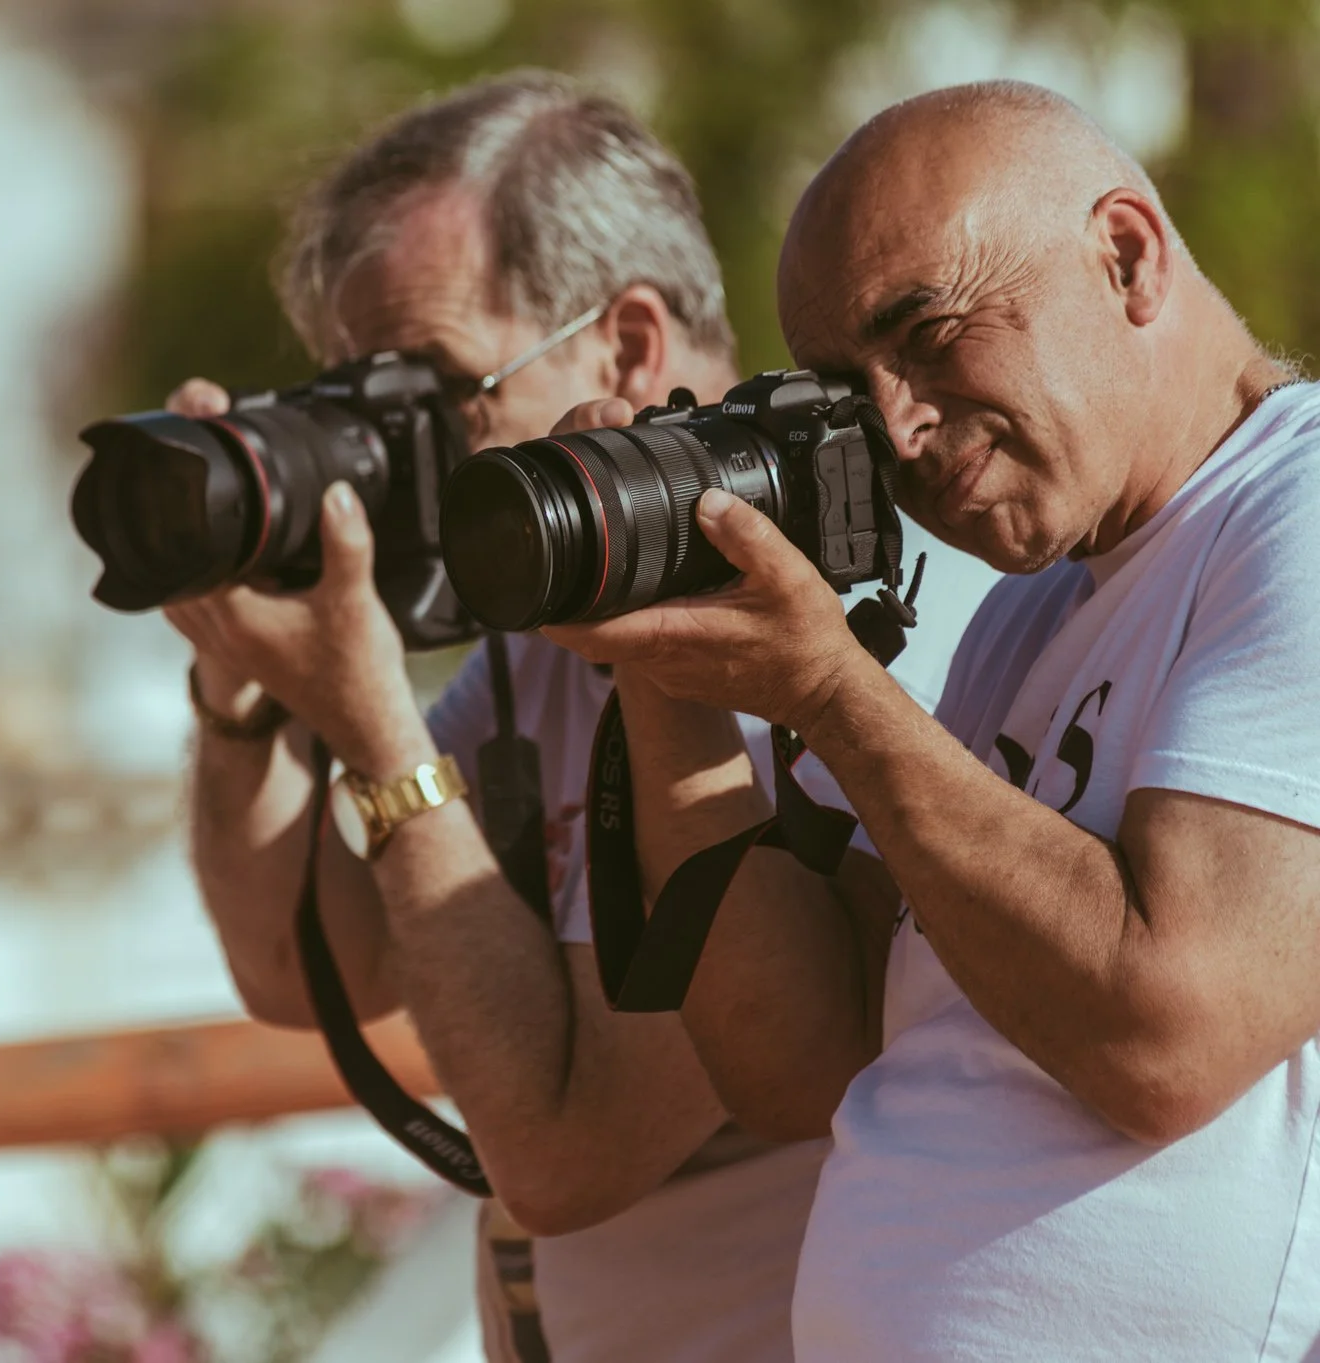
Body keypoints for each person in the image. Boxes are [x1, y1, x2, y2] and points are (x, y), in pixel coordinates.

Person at [165, 72, 995, 1361]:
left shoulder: (814, 622)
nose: (391, 465)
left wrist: (379, 727)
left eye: (424, 398)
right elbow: (300, 967)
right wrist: (236, 686)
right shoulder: (557, 628)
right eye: (353, 408)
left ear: (624, 345)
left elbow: (563, 1150)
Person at [548, 79, 1320, 1360]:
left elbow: (1164, 1035)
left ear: (1123, 256)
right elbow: (800, 1054)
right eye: (849, 385)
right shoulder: (1031, 610)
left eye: (928, 330)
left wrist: (833, 698)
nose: (895, 427)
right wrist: (661, 646)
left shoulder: (1291, 516)